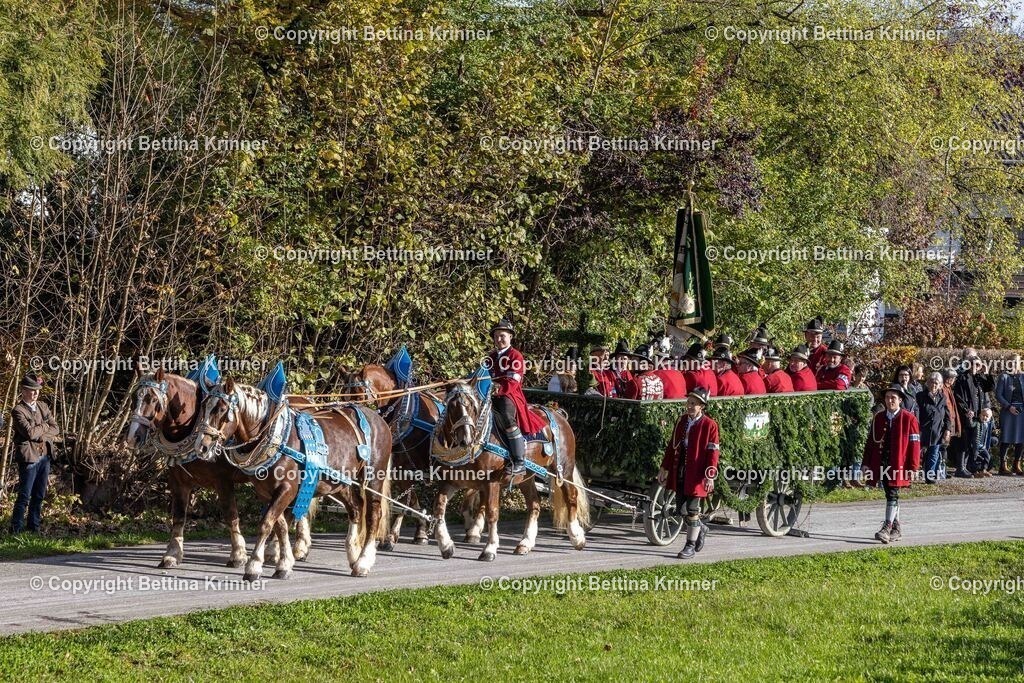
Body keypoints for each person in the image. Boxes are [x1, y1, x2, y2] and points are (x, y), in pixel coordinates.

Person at [657, 387, 719, 559]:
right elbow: (673, 445)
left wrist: (709, 476)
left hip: (697, 472)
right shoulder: (682, 420)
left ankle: (689, 546)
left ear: (702, 406)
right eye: (689, 403)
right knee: (681, 509)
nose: (690, 406)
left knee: (692, 509)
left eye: (694, 404)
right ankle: (701, 527)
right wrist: (664, 467)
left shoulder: (709, 425)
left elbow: (713, 452)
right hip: (681, 469)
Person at [862, 384, 921, 544]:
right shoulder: (879, 417)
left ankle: (887, 527)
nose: (889, 401)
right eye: (887, 398)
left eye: (893, 398)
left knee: (892, 493)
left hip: (899, 463)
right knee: (890, 493)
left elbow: (915, 445)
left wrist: (914, 467)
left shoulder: (909, 419)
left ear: (900, 400)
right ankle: (897, 528)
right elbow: (870, 442)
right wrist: (866, 463)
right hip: (882, 461)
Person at [487, 320, 547, 475]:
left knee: (507, 415)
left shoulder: (516, 356)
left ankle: (519, 461)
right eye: (496, 336)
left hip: (509, 395)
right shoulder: (490, 357)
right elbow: (481, 375)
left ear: (510, 337)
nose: (499, 339)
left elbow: (514, 381)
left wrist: (497, 390)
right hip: (489, 394)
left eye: (502, 336)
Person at [10, 373, 59, 534]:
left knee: (39, 495)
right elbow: (30, 433)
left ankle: (34, 528)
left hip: (45, 455)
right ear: (23, 391)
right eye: (32, 390)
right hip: (29, 457)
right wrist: (45, 427)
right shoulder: (18, 410)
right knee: (24, 495)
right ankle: (15, 529)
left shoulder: (43, 406)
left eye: (37, 390)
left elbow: (56, 428)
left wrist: (41, 431)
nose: (36, 393)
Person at [952, 349, 993, 479]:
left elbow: (990, 387)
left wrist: (987, 372)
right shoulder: (963, 378)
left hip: (977, 415)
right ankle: (960, 468)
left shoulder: (978, 378)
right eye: (974, 364)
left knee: (974, 441)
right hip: (966, 415)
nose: (976, 367)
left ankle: (971, 467)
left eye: (978, 364)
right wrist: (965, 410)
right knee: (963, 440)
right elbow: (958, 396)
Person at [916, 372, 951, 484]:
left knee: (934, 453)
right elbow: (916, 413)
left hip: (937, 431)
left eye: (936, 383)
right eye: (932, 382)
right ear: (927, 383)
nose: (934, 385)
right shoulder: (920, 396)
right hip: (922, 430)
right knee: (917, 453)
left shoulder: (943, 398)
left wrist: (947, 429)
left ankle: (930, 476)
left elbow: (947, 415)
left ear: (940, 385)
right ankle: (911, 474)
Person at [994, 358, 1024, 475]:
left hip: (1022, 411)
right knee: (1006, 437)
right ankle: (1003, 465)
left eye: (1016, 362)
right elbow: (998, 395)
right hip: (1008, 411)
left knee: (1021, 438)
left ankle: (1016, 464)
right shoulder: (1004, 377)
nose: (1013, 364)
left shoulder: (1023, 376)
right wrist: (1008, 406)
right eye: (1011, 362)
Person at [940, 368, 961, 480]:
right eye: (952, 378)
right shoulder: (943, 389)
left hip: (950, 421)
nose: (953, 380)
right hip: (945, 423)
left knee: (945, 447)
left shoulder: (948, 389)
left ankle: (942, 469)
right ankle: (940, 470)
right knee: (942, 447)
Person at [970, 407, 996, 477]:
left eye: (987, 416)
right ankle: (974, 472)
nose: (984, 417)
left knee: (987, 456)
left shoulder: (988, 425)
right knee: (974, 458)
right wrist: (969, 418)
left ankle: (983, 470)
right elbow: (971, 424)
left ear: (989, 418)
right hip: (976, 445)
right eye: (983, 415)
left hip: (983, 446)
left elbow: (992, 433)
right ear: (979, 415)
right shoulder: (977, 422)